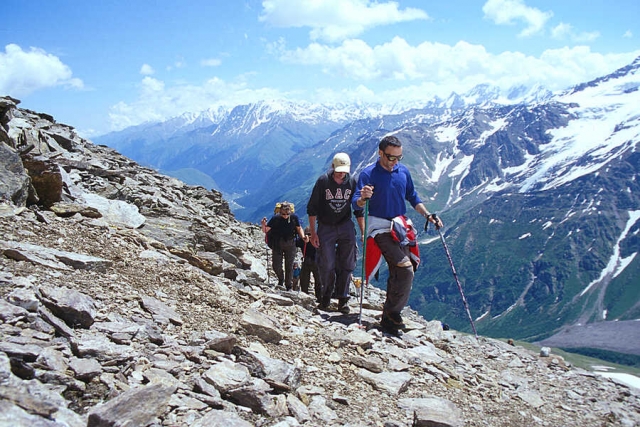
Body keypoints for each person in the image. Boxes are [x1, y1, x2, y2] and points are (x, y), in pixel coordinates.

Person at [352, 135, 443, 334]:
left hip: (399, 225)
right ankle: (393, 313)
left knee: (398, 269)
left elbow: (412, 196)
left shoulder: (403, 172)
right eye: (391, 157)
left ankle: (388, 316)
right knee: (405, 268)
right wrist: (362, 199)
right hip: (378, 227)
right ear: (380, 153)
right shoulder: (368, 174)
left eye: (398, 158)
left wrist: (428, 215)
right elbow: (356, 202)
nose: (395, 162)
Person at [307, 153, 363, 314]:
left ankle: (343, 299)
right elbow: (312, 208)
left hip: (345, 224)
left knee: (347, 263)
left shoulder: (351, 182)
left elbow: (358, 209)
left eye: (344, 170)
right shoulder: (323, 181)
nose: (341, 173)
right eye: (338, 170)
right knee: (327, 264)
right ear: (332, 166)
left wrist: (362, 233)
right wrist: (313, 233)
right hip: (326, 226)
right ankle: (326, 296)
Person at [261, 202, 308, 290]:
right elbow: (266, 230)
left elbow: (299, 228)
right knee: (276, 266)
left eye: (287, 214)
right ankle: (281, 279)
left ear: (290, 212)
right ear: (280, 212)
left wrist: (303, 236)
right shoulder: (275, 218)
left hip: (291, 244)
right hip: (277, 243)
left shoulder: (294, 218)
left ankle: (288, 285)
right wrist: (263, 224)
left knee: (289, 265)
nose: (285, 216)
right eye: (283, 214)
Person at [296, 226, 321, 299]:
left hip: (313, 262)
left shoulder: (316, 240)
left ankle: (319, 297)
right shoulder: (302, 240)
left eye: (310, 235)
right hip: (309, 262)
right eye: (307, 234)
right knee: (304, 280)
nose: (309, 237)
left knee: (318, 280)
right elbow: (292, 243)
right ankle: (305, 295)